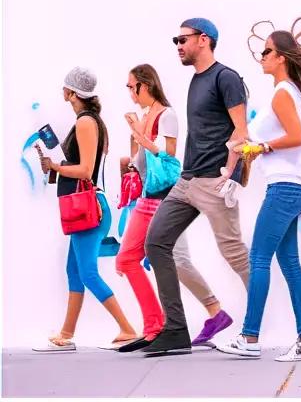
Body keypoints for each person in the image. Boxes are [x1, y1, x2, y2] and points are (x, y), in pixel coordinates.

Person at [216, 30, 301, 363]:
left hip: (284, 189)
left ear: (281, 57)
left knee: (259, 260)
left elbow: (295, 137)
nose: (261, 57)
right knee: (290, 263)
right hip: (290, 187)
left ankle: (250, 336)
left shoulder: (283, 92)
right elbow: (289, 139)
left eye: (267, 52)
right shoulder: (291, 92)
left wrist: (261, 146)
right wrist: (241, 160)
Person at [142, 18, 250, 356]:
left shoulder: (226, 78)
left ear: (204, 40)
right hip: (186, 182)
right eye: (176, 40)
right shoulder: (196, 81)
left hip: (213, 182)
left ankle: (268, 322)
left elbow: (241, 132)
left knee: (237, 257)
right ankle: (175, 330)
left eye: (182, 39)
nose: (178, 46)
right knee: (156, 243)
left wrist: (230, 176)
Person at [114, 64, 230, 353]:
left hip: (168, 196)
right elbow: (141, 160)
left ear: (145, 84)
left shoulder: (167, 115)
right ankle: (161, 325)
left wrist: (140, 136)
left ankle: (207, 314)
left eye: (131, 86)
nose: (129, 92)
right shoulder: (143, 116)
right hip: (148, 196)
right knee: (137, 259)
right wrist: (130, 160)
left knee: (174, 258)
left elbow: (169, 156)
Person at [33, 67, 139, 353]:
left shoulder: (86, 122)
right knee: (74, 270)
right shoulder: (91, 121)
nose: (62, 92)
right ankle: (66, 334)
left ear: (72, 93)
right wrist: (56, 168)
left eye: (65, 87)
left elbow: (86, 171)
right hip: (87, 208)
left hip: (89, 209)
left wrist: (55, 165)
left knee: (88, 272)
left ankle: (127, 328)